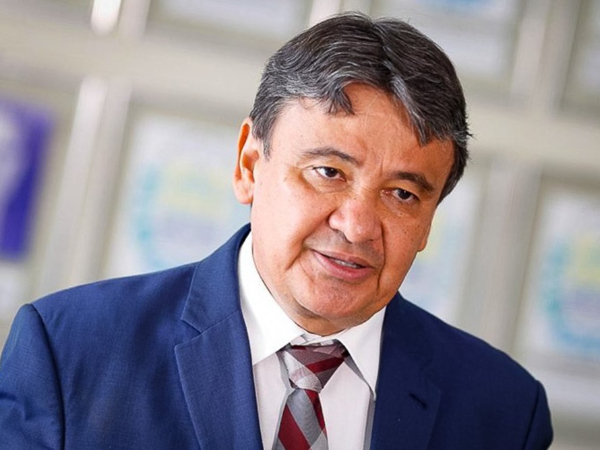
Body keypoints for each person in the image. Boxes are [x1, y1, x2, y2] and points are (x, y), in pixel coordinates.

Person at [0, 12, 552, 450]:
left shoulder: (504, 412)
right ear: (249, 165)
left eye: (403, 194)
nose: (357, 226)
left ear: (430, 218)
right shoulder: (70, 352)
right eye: (328, 172)